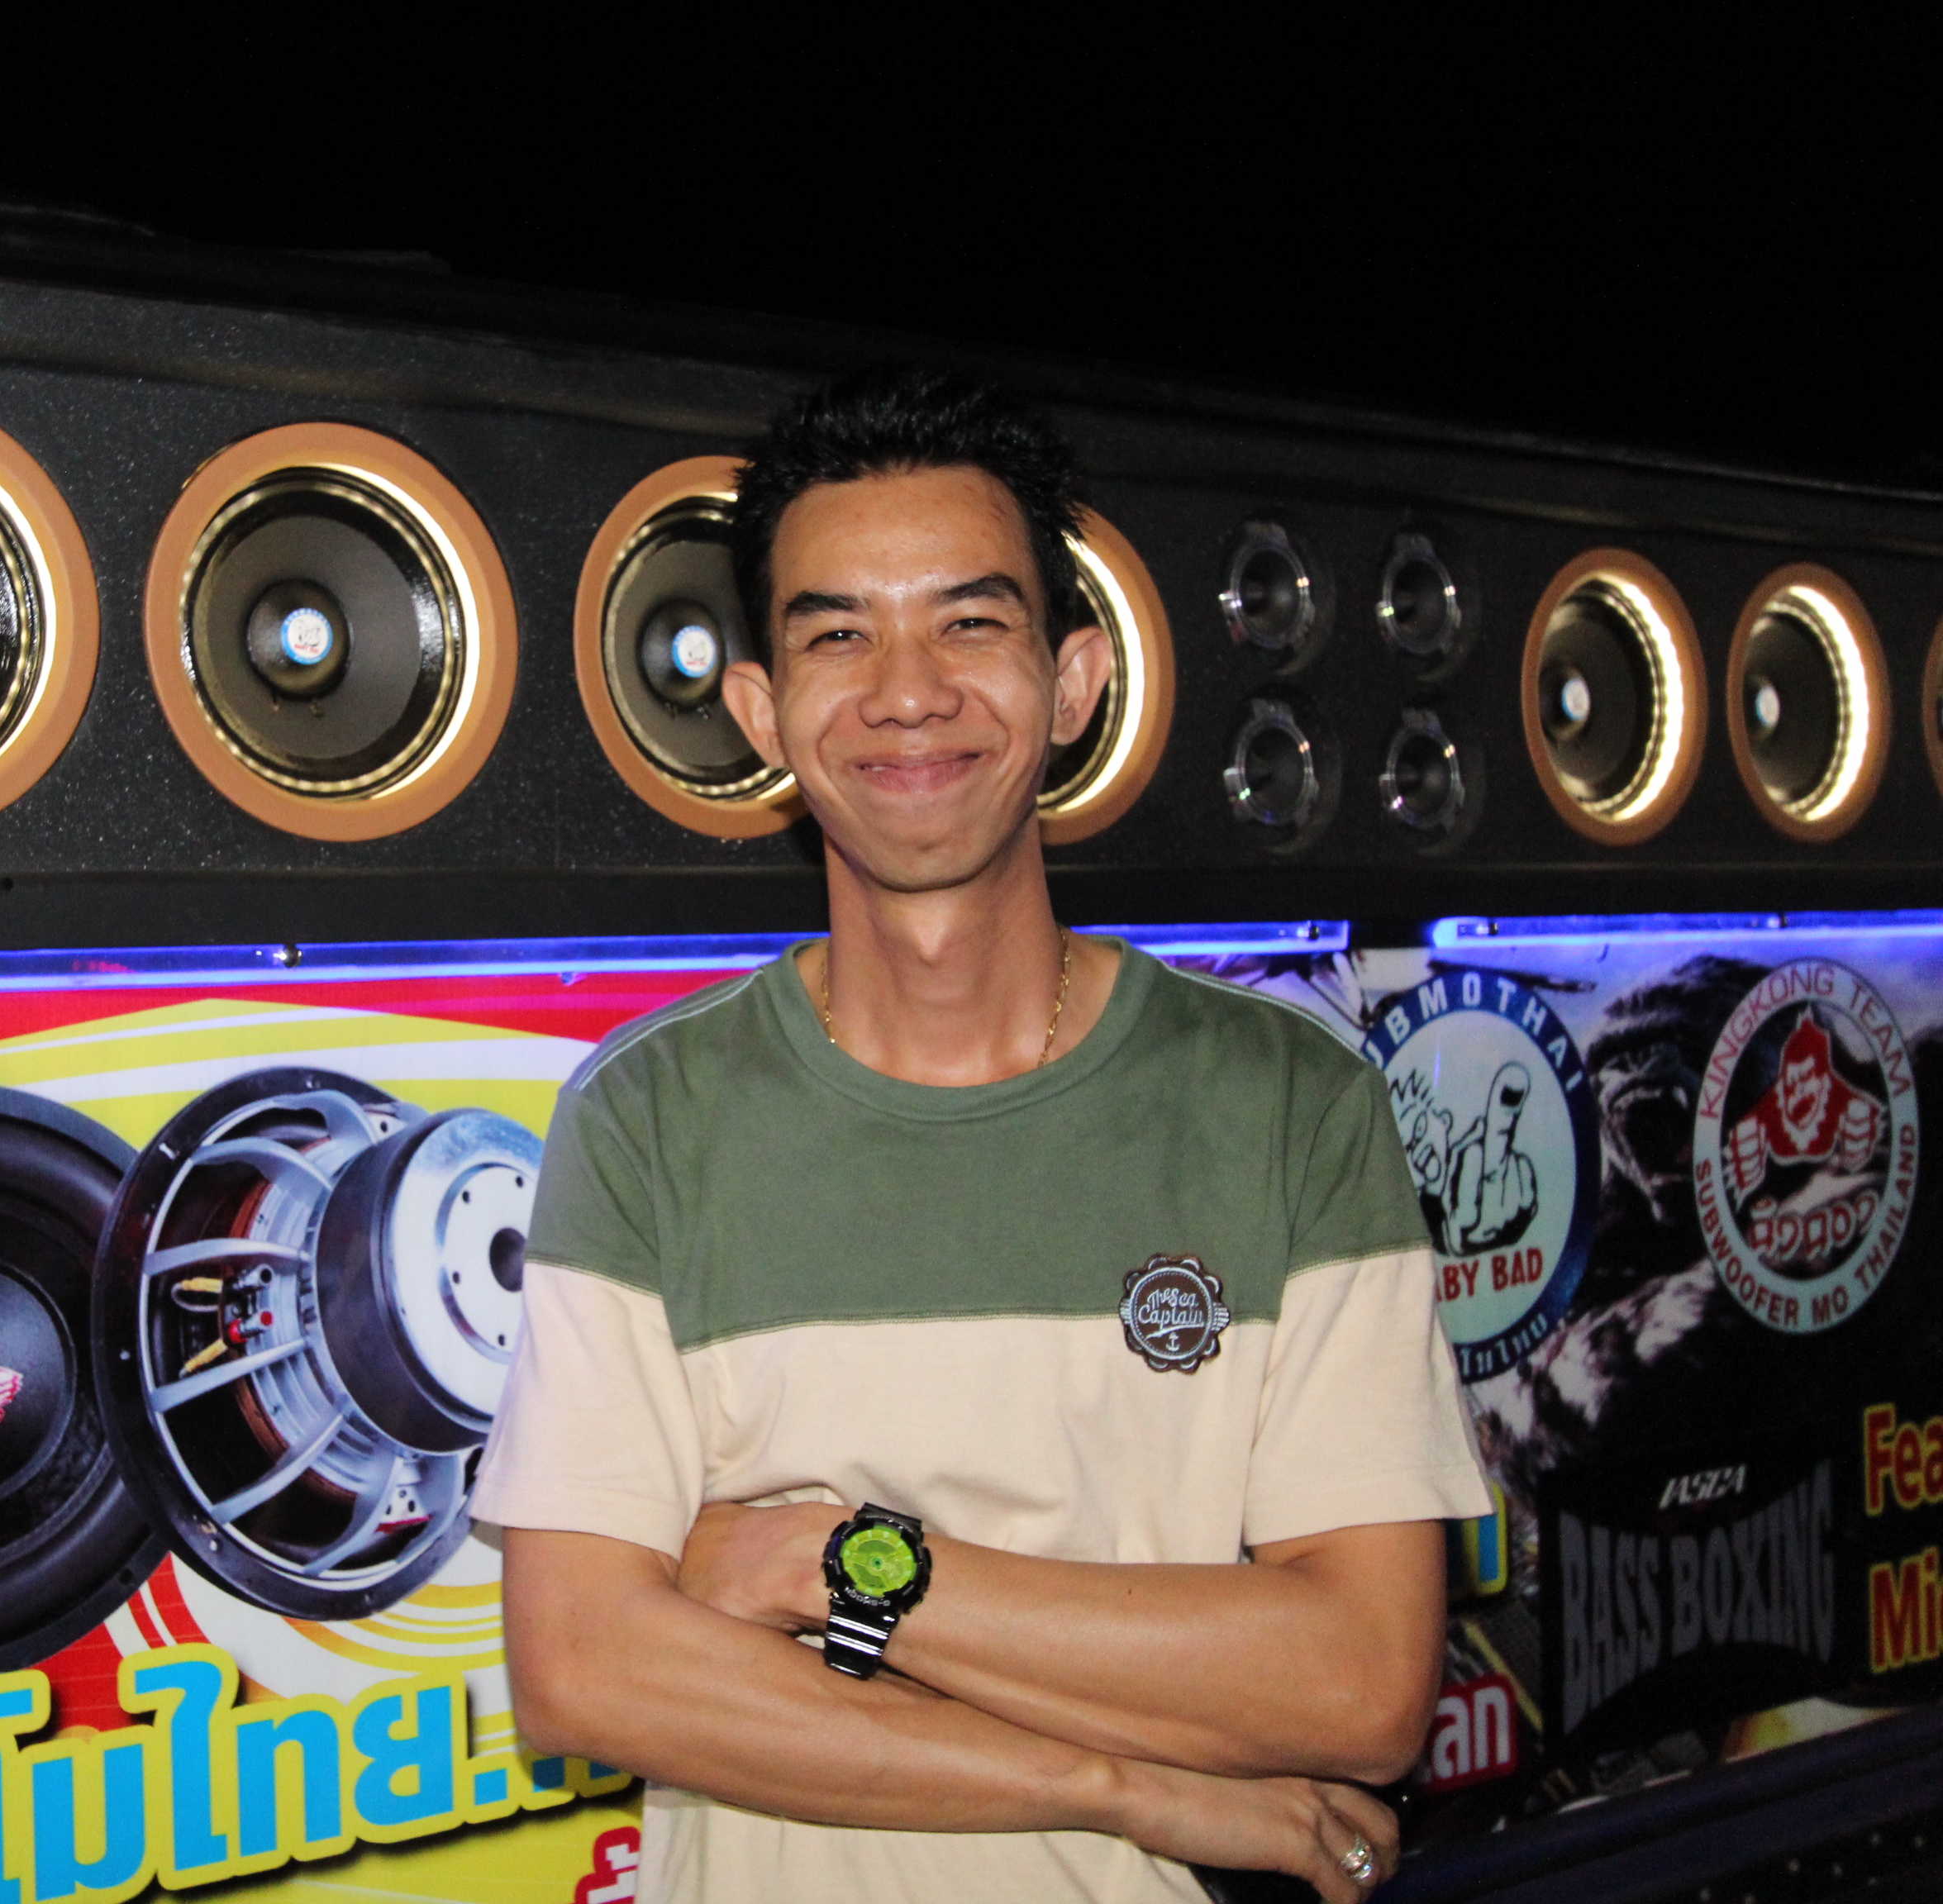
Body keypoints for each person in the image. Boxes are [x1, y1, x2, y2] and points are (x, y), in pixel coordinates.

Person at [469, 365, 1490, 1904]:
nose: (908, 692)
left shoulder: (1288, 1100)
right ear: (759, 711)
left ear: (1074, 683)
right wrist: (1122, 1788)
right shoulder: (648, 1116)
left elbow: (1360, 1685)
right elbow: (585, 1672)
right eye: (837, 635)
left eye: (969, 623)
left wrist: (831, 1561)